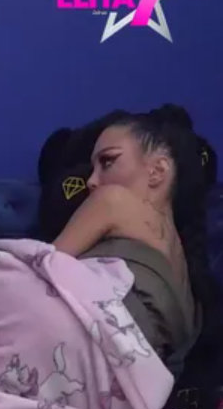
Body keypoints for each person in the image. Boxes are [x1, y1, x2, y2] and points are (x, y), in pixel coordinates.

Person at [51, 106, 219, 382]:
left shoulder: (113, 201)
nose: (91, 181)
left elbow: (42, 269)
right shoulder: (186, 267)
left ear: (157, 171)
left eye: (107, 162)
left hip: (83, 356)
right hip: (134, 384)